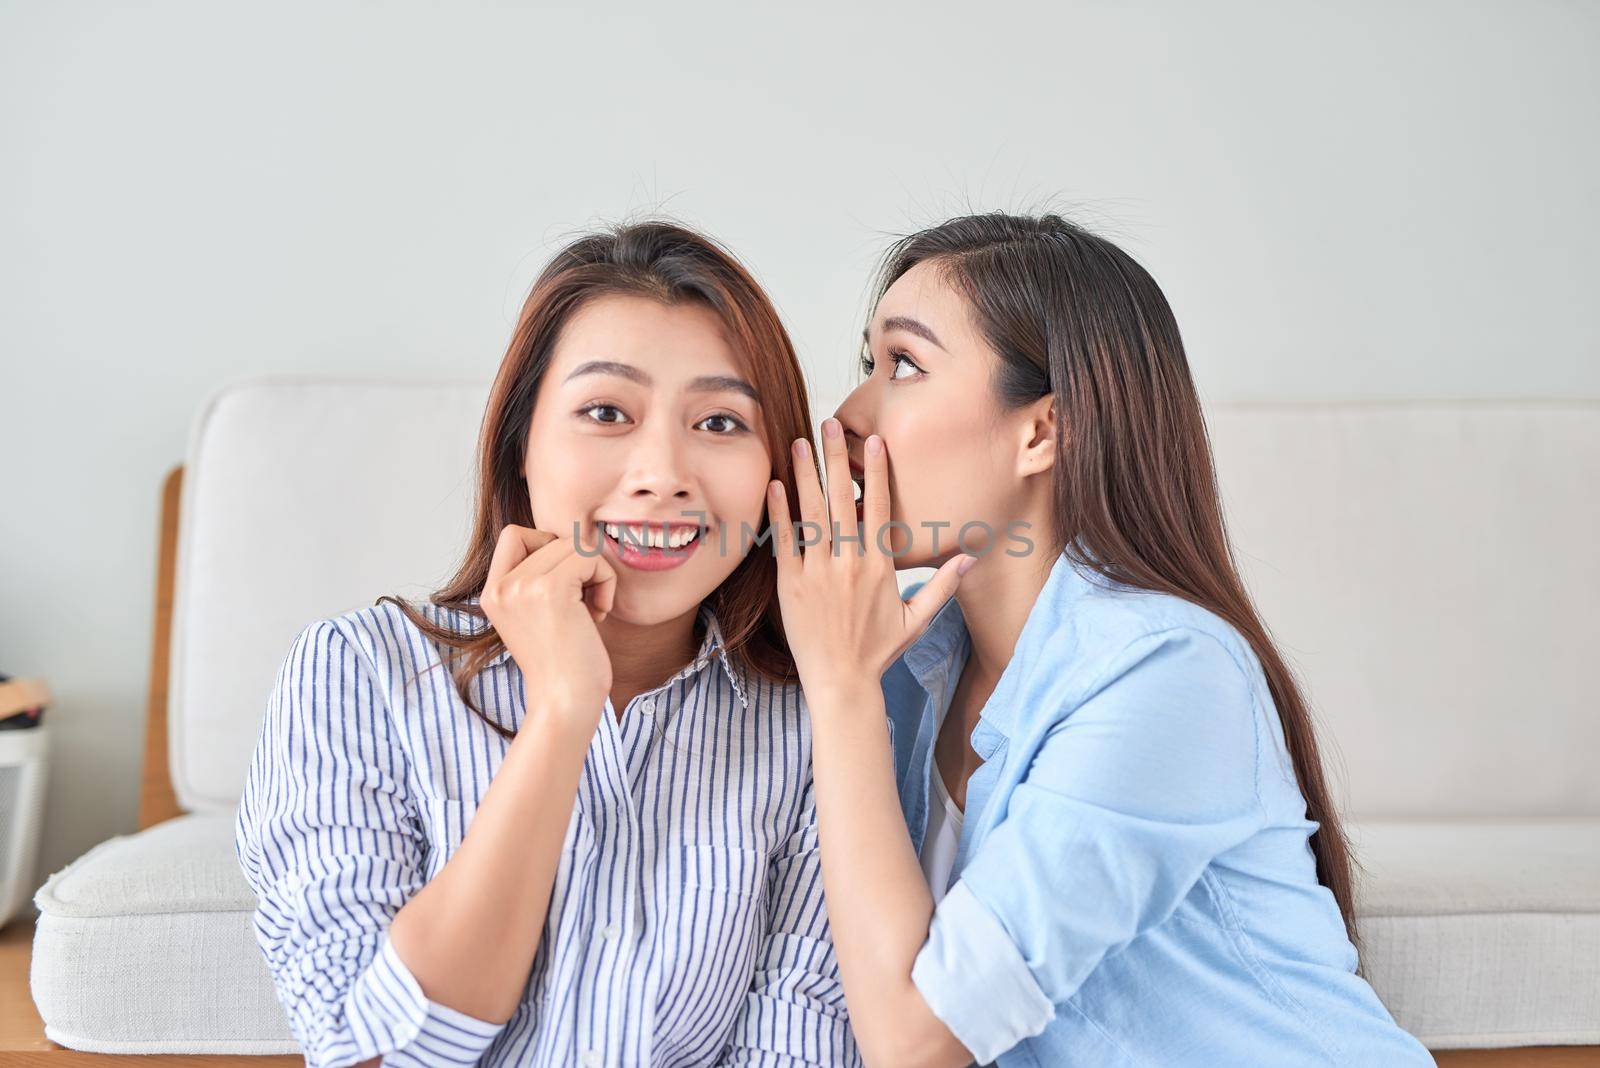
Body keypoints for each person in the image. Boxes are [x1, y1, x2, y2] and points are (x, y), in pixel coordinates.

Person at [766, 212, 1434, 1066]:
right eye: (868, 364)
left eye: (904, 364)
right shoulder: (905, 663)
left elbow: (919, 1043)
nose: (849, 415)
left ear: (1042, 431)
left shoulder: (1168, 671)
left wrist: (843, 692)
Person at [235, 220, 861, 1068]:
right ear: (519, 444)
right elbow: (370, 1053)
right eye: (607, 412)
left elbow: (802, 1044)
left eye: (719, 423)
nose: (663, 472)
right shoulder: (359, 675)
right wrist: (562, 715)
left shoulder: (814, 722)